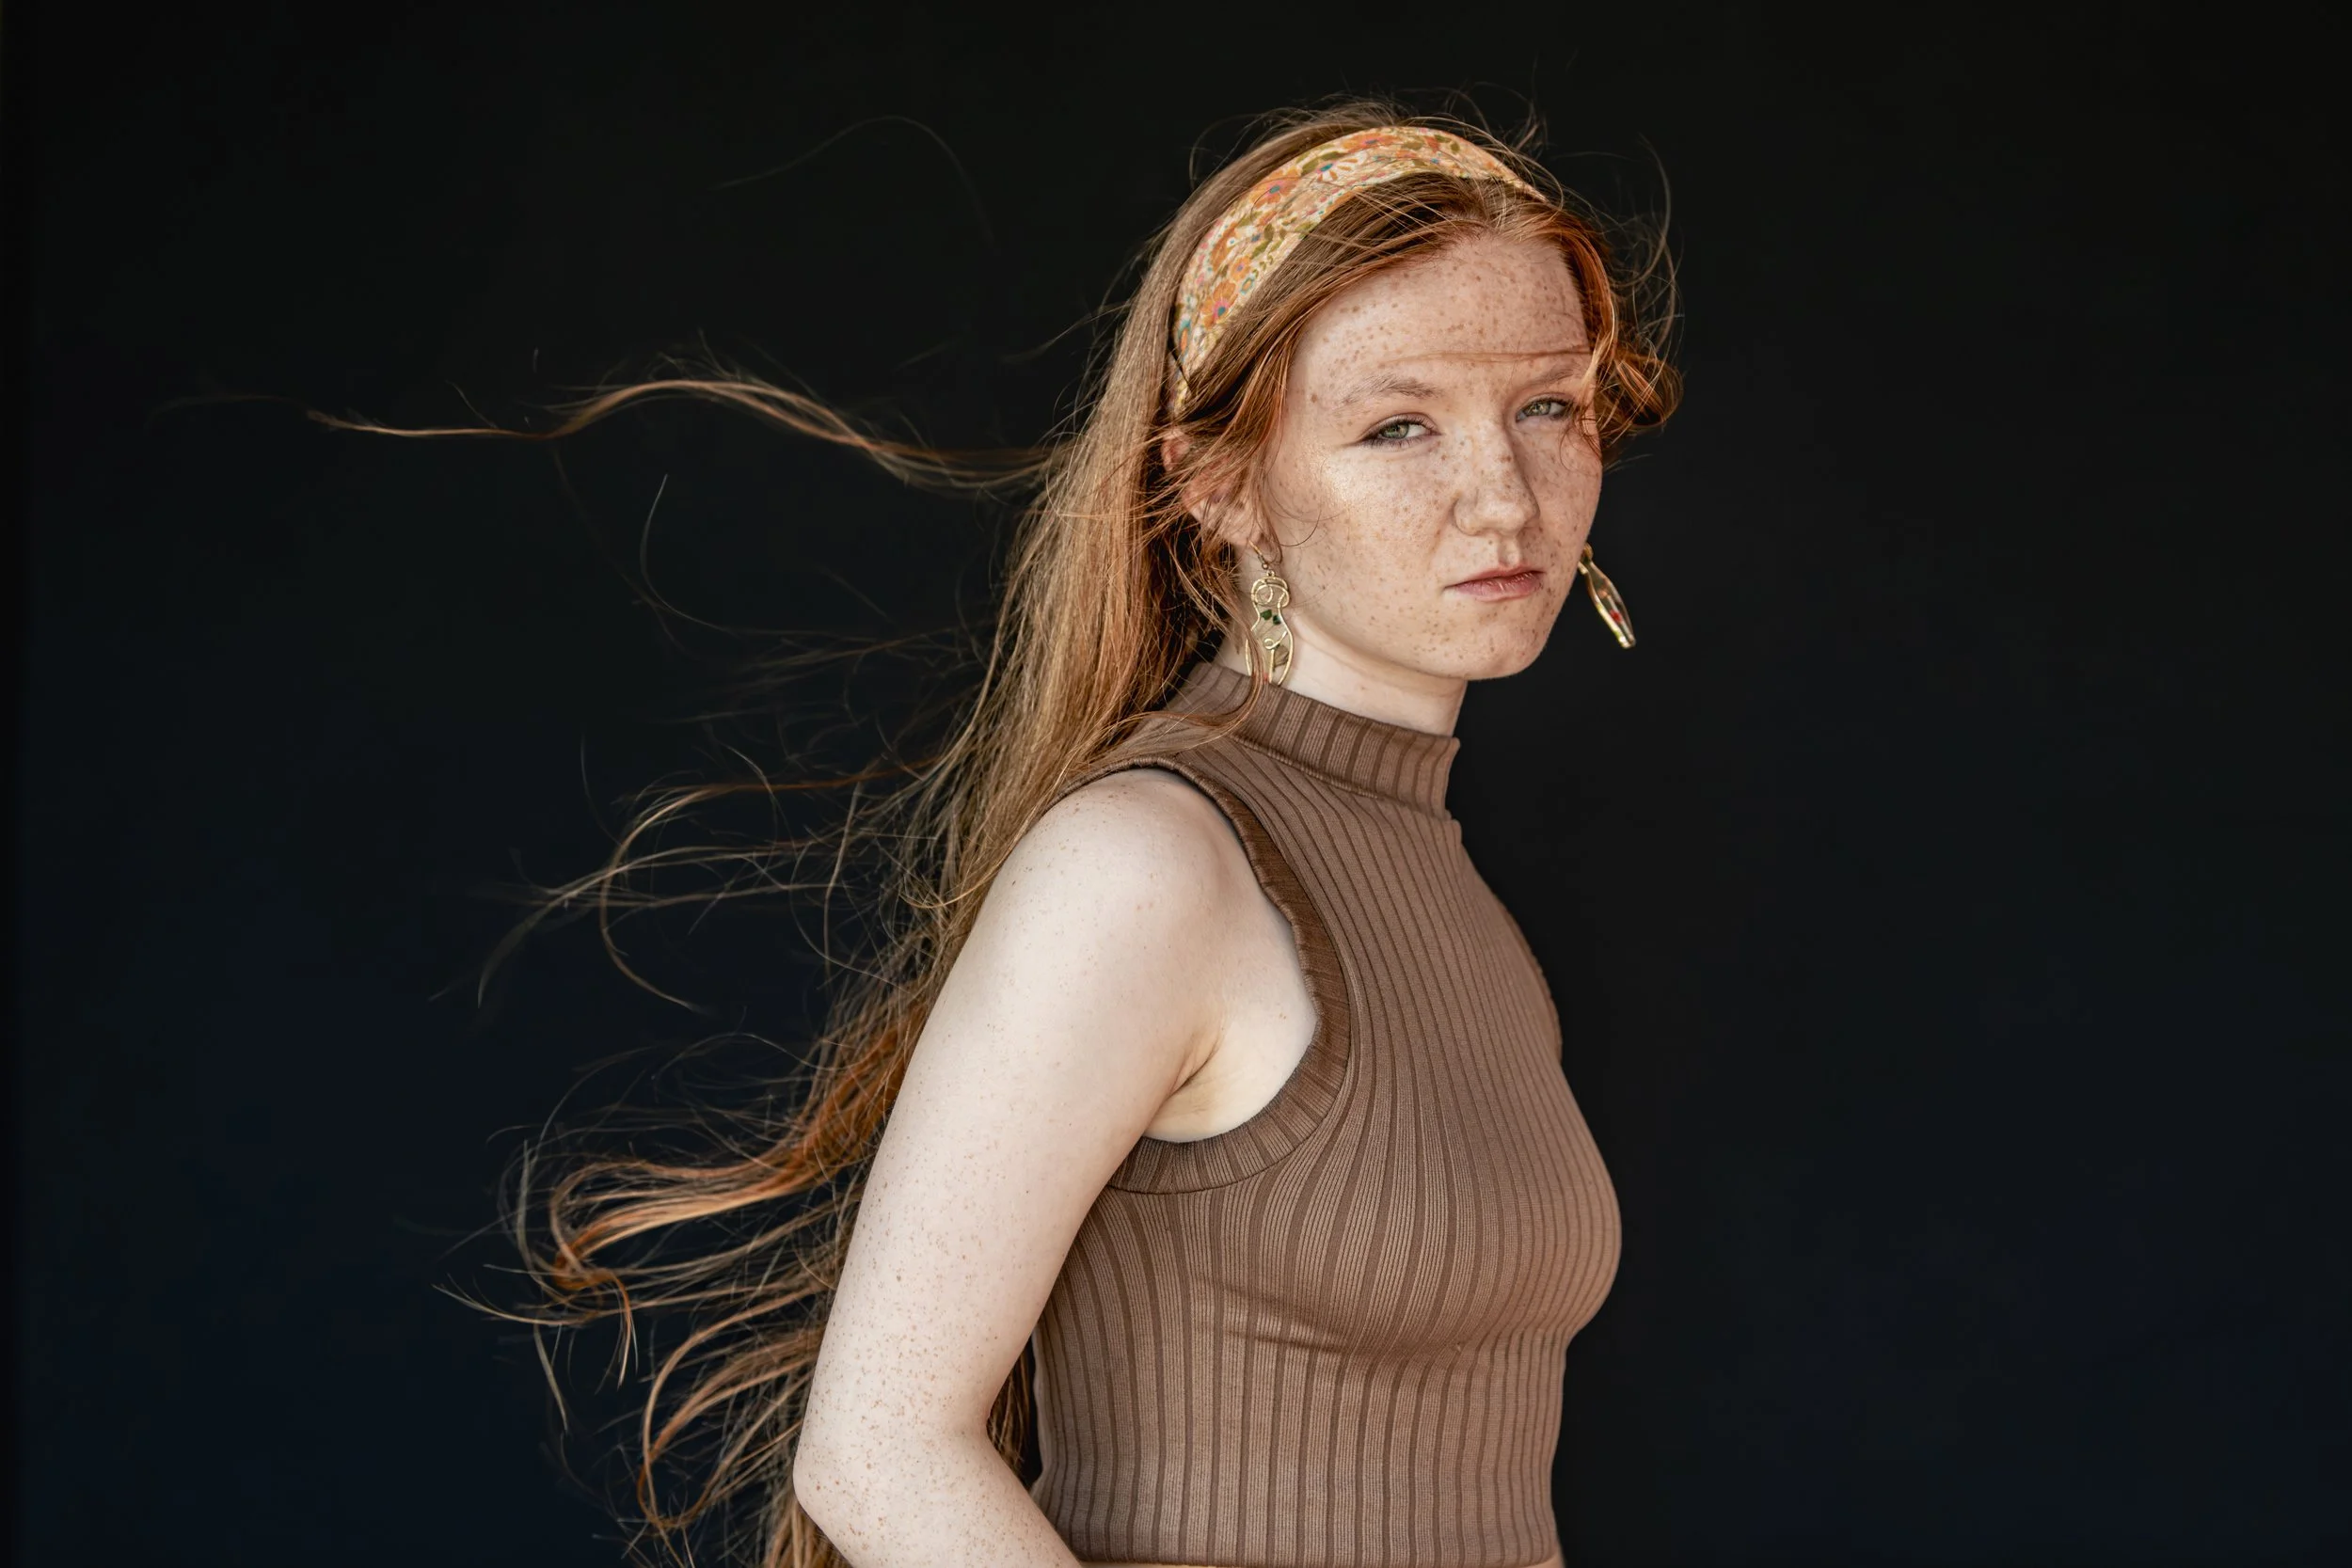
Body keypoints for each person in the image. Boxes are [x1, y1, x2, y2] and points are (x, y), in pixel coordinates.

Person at [509, 102, 1678, 1568]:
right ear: (1222, 485)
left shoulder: (1451, 895)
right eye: (1399, 424)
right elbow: (876, 1452)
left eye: (1548, 407)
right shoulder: (1152, 861)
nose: (1502, 493)